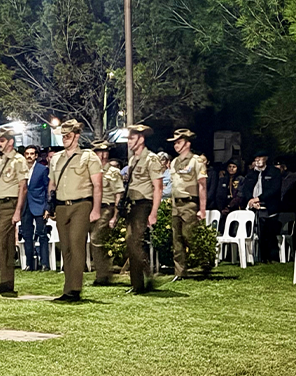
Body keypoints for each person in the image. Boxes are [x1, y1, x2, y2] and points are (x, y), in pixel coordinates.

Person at [47, 120, 101, 301]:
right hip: (62, 205)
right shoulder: (56, 158)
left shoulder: (89, 156)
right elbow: (52, 184)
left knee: (77, 246)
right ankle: (67, 288)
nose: (64, 139)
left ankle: (74, 289)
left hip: (81, 204)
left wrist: (96, 209)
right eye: (63, 136)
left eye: (68, 135)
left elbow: (97, 185)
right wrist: (50, 205)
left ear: (76, 136)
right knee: (66, 248)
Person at [0, 126, 28, 295]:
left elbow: (23, 187)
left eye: (2, 141)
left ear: (10, 142)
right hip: (1, 204)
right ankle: (6, 282)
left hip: (11, 204)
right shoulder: (2, 161)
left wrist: (18, 210)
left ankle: (5, 281)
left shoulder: (18, 160)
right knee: (6, 244)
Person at [122, 125, 163, 292]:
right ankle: (137, 283)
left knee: (134, 242)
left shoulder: (151, 159)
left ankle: (145, 277)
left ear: (141, 139)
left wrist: (153, 213)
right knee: (131, 242)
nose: (129, 142)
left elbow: (158, 188)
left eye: (132, 138)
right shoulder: (133, 160)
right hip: (132, 204)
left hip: (143, 204)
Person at [166, 129, 208, 281]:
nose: (176, 145)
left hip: (190, 202)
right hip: (176, 203)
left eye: (178, 142)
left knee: (189, 235)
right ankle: (180, 272)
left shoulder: (196, 161)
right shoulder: (175, 162)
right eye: (175, 143)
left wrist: (202, 210)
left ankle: (204, 264)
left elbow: (202, 185)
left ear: (187, 143)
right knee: (176, 238)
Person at [89, 140, 124, 285]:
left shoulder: (113, 172)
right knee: (96, 241)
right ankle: (102, 272)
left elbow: (118, 194)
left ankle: (103, 275)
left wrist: (115, 215)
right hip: (92, 208)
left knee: (96, 240)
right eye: (99, 152)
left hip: (107, 208)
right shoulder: (91, 170)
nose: (103, 155)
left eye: (105, 152)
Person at [240, 151, 282, 263]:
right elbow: (246, 189)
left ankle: (272, 257)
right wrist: (251, 201)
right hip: (254, 207)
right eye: (256, 158)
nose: (258, 160)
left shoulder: (274, 172)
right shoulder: (251, 174)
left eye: (260, 158)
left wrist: (259, 198)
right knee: (258, 232)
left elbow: (274, 189)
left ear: (265, 158)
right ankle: (260, 257)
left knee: (270, 232)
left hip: (269, 206)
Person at [21, 145, 50, 271]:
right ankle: (29, 264)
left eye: (32, 153)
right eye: (27, 153)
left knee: (42, 234)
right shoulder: (20, 169)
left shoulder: (42, 169)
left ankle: (45, 263)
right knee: (27, 235)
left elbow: (47, 189)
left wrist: (47, 207)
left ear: (36, 156)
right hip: (24, 205)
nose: (29, 156)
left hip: (39, 204)